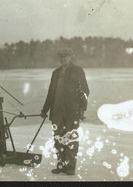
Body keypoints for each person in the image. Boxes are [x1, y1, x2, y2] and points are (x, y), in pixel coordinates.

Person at [40, 47, 89, 175]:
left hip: (71, 112)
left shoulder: (78, 71)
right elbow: (51, 93)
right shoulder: (55, 73)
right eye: (61, 57)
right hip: (57, 112)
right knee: (58, 139)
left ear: (70, 57)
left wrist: (82, 109)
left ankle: (70, 167)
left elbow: (85, 91)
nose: (63, 59)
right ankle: (61, 165)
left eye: (65, 56)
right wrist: (45, 110)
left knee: (71, 138)